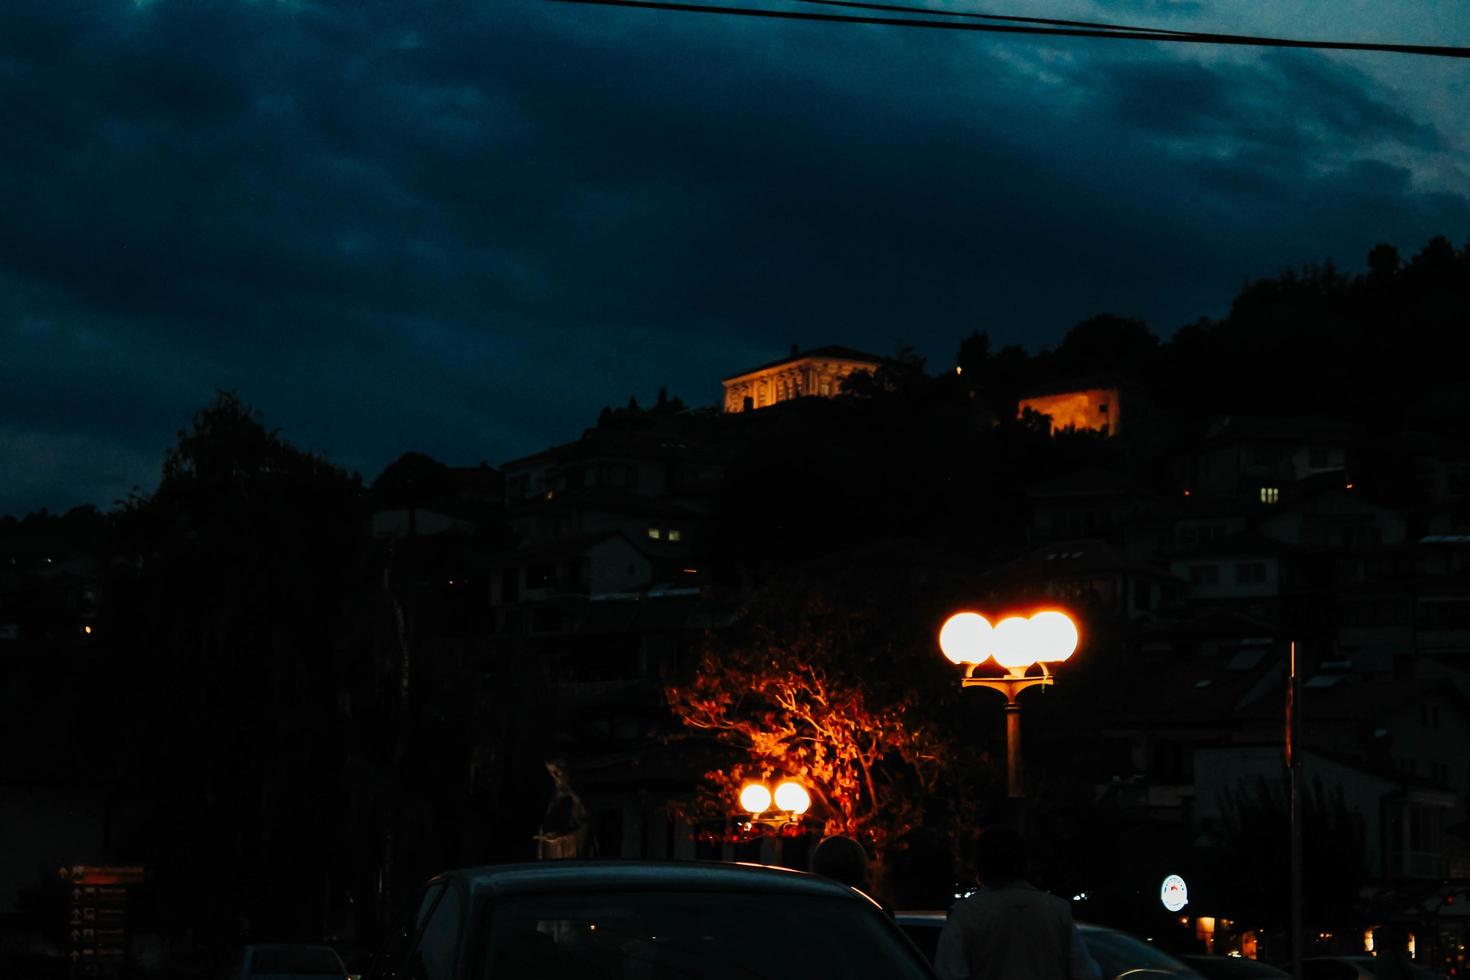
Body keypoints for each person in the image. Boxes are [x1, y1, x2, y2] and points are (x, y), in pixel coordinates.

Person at [934, 826, 1100, 980]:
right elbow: (1085, 972)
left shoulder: (965, 914)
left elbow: (950, 973)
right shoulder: (1057, 910)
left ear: (980, 865)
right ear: (1025, 864)